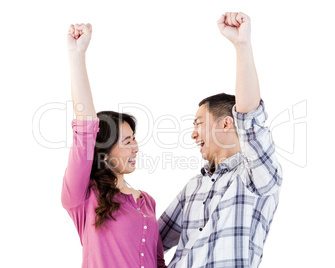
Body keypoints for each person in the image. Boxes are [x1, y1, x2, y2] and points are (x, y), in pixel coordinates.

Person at [158, 12, 283, 268]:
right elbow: (149, 242)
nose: (192, 134)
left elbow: (250, 119)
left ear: (226, 123)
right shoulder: (192, 188)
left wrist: (242, 45)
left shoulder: (255, 177)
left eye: (199, 123)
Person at [61, 23, 166, 268]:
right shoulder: (83, 196)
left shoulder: (146, 201)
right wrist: (77, 57)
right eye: (127, 142)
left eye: (135, 139)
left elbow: (158, 261)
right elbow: (85, 129)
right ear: (104, 152)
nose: (136, 148)